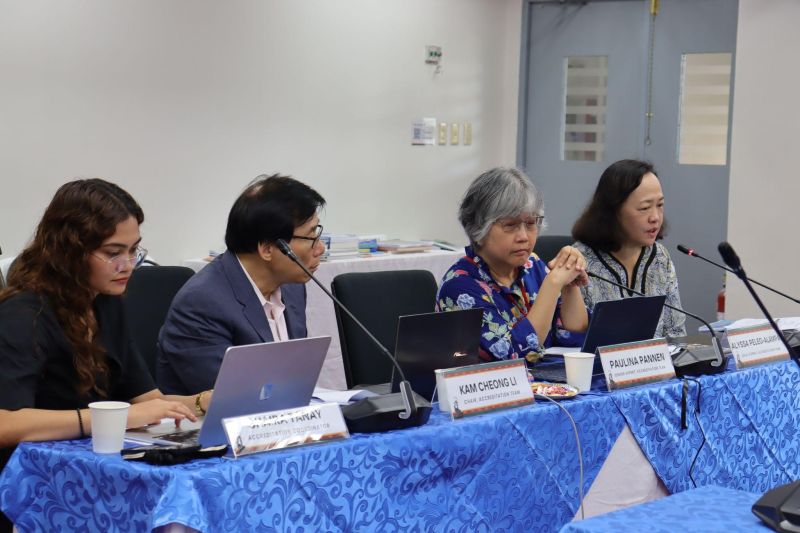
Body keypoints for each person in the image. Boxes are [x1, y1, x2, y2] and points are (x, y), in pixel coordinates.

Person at [0, 179, 206, 531]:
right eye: (114, 253)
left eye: (134, 250)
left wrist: (201, 403)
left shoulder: (106, 304)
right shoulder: (23, 314)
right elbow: (5, 424)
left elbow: (148, 401)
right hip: (29, 489)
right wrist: (114, 418)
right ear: (69, 251)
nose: (128, 265)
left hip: (93, 472)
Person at [157, 174, 326, 395]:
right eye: (311, 237)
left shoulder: (292, 287)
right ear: (267, 249)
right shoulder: (201, 303)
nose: (320, 248)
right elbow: (232, 396)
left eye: (318, 232)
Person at [437, 167, 589, 362]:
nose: (524, 237)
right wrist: (552, 285)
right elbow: (517, 355)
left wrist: (569, 285)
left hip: (550, 385)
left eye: (531, 223)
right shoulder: (459, 286)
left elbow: (574, 338)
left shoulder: (532, 265)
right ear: (478, 228)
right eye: (510, 225)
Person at [572, 159, 687, 337]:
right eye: (645, 208)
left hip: (657, 363)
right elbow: (571, 341)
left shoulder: (660, 257)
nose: (655, 217)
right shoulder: (578, 261)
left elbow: (676, 333)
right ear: (613, 212)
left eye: (660, 205)